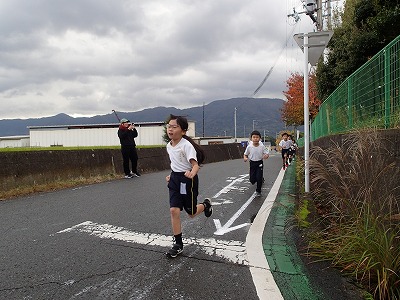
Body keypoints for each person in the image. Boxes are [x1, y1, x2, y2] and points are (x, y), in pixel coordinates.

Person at [165, 114, 212, 258]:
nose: (170, 129)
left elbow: (195, 165)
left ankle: (205, 205)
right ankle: (178, 244)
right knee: (174, 210)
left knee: (191, 213)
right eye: (169, 126)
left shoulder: (186, 145)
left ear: (183, 131)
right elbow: (175, 163)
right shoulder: (169, 145)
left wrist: (192, 173)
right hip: (175, 179)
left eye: (174, 127)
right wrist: (171, 175)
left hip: (187, 180)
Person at [243, 130, 269, 197]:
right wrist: (245, 158)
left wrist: (266, 156)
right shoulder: (249, 146)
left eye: (257, 137)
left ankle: (258, 191)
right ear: (251, 138)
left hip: (259, 162)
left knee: (258, 177)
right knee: (252, 180)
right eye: (254, 137)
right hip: (252, 163)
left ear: (260, 138)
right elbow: (245, 154)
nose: (255, 138)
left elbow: (266, 153)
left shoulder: (262, 146)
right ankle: (259, 179)